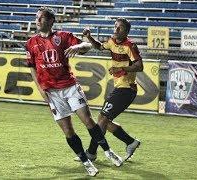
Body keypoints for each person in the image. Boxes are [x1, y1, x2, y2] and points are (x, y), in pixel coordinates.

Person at [25, 7, 122, 177]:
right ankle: (86, 162)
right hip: (51, 93)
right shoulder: (31, 43)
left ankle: (108, 151)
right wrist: (40, 88)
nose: (37, 21)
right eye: (36, 18)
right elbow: (32, 67)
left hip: (69, 86)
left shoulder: (62, 37)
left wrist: (78, 46)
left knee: (88, 121)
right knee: (68, 131)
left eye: (41, 18)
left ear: (50, 21)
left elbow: (87, 45)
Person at [81, 18, 143, 162]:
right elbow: (99, 47)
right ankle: (130, 142)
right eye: (115, 26)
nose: (116, 29)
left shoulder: (130, 46)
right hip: (121, 88)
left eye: (119, 28)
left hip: (126, 89)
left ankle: (91, 153)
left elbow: (139, 66)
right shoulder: (112, 42)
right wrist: (89, 37)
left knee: (102, 119)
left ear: (126, 31)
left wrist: (120, 68)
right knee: (105, 121)